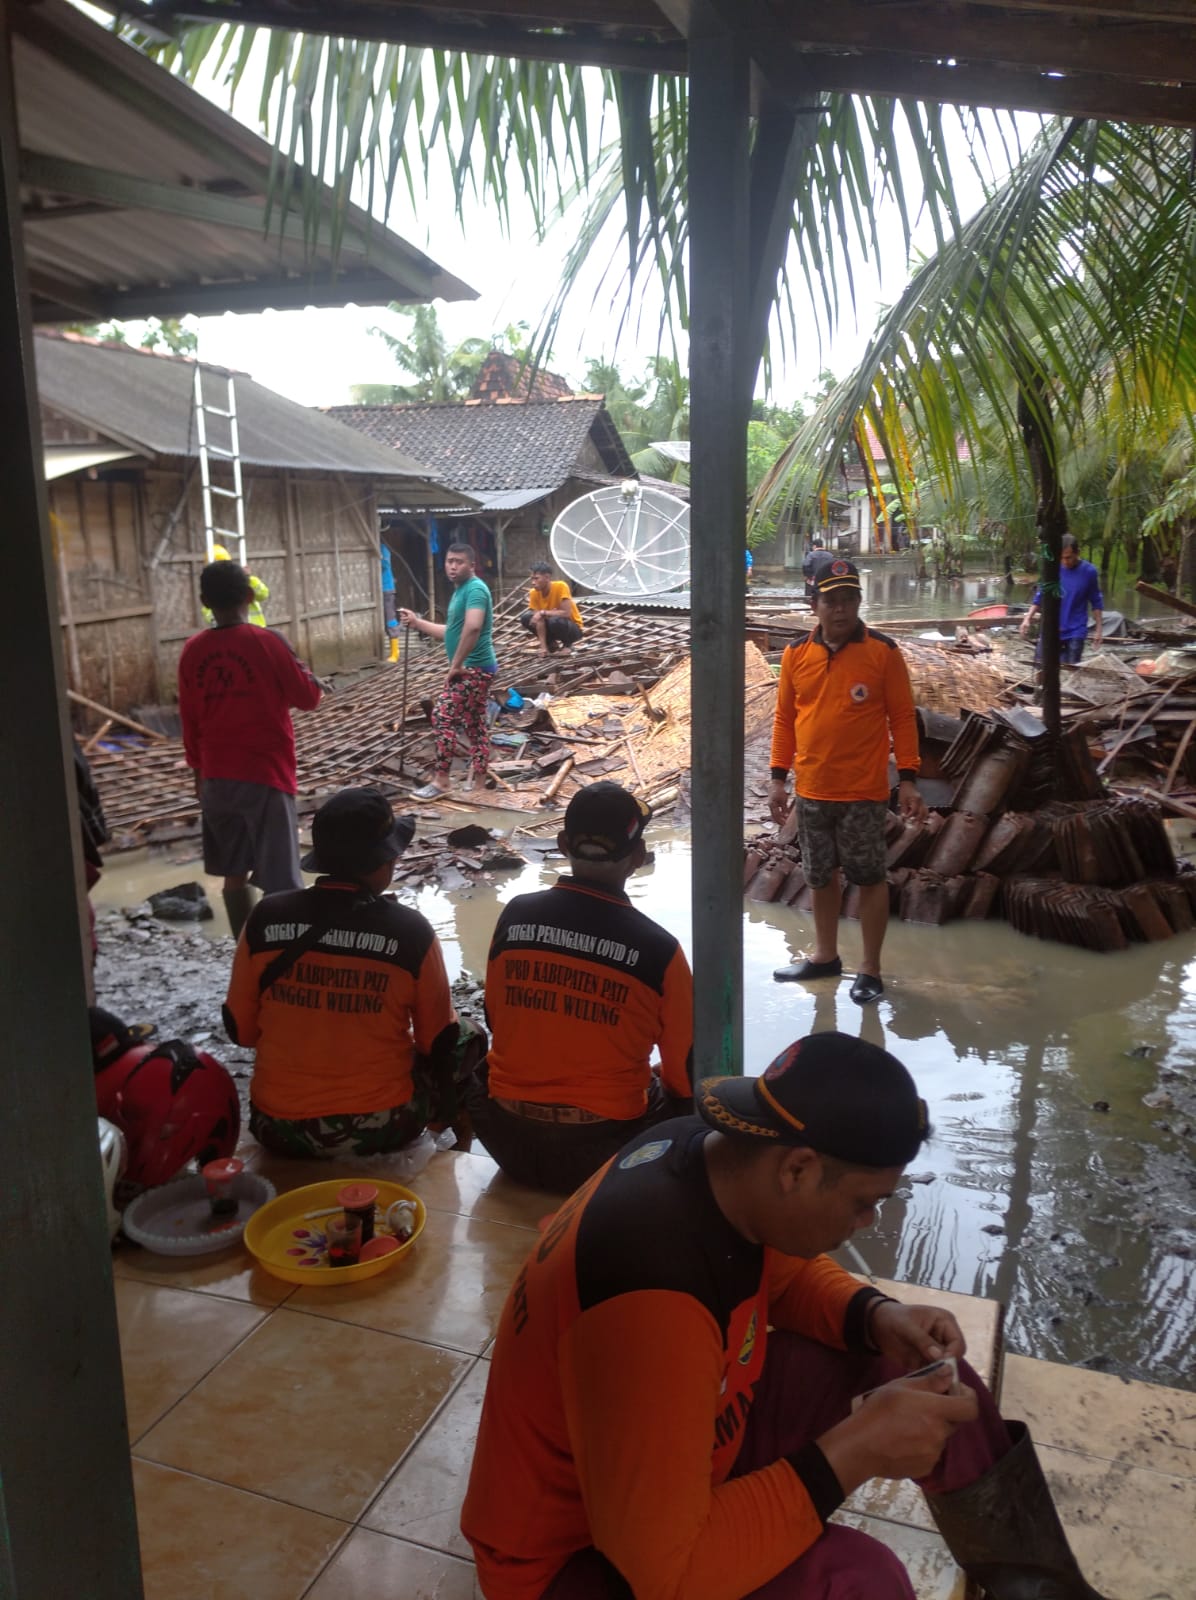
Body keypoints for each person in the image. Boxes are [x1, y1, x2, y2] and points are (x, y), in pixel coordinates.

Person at [462, 1032, 1106, 1600]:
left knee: (931, 1372)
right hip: (574, 1564)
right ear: (798, 1169)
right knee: (860, 1582)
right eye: (862, 1202)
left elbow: (786, 1276)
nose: (868, 1223)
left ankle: (1039, 1590)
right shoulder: (651, 1299)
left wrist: (875, 1313)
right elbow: (659, 1581)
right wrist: (851, 1453)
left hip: (673, 1461)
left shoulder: (711, 1157)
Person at [466, 781, 693, 1194]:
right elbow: (684, 1078)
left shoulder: (515, 916)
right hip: (605, 1150)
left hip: (506, 1139)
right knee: (691, 1101)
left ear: (563, 844)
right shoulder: (660, 951)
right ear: (639, 857)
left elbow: (497, 1020)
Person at [223, 787, 465, 1158]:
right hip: (381, 1127)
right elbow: (437, 1042)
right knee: (466, 1035)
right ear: (386, 861)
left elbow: (241, 1032)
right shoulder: (411, 932)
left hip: (276, 1127)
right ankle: (449, 1138)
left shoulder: (265, 917)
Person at [768, 558, 925, 1004]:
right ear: (814, 604)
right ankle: (824, 956)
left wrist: (909, 779)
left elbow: (902, 718)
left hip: (864, 792)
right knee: (820, 877)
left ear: (859, 602)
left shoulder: (883, 652)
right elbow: (784, 721)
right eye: (831, 600)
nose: (840, 609)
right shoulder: (796, 654)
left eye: (849, 599)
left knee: (870, 877)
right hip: (812, 789)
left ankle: (870, 968)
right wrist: (778, 779)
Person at [179, 559, 322, 937]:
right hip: (264, 776)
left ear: (204, 601)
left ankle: (244, 951)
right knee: (282, 879)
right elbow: (308, 698)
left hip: (215, 778)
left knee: (233, 871)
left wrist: (199, 776)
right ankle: (282, 954)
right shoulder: (267, 642)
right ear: (248, 596)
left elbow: (189, 721)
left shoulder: (192, 651)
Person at [399, 542, 498, 798]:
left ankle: (442, 781)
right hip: (475, 668)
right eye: (449, 561)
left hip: (472, 669)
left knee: (442, 717)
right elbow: (451, 632)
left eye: (459, 562)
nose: (453, 566)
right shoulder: (461, 591)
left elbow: (474, 627)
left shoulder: (475, 589)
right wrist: (417, 622)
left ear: (471, 565)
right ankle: (479, 782)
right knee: (475, 724)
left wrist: (456, 665)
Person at [1019, 536, 1103, 663]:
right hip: (1052, 627)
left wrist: (1099, 630)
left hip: (1076, 629)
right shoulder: (1052, 569)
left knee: (1072, 668)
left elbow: (1096, 602)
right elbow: (1040, 596)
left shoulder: (1089, 572)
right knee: (1040, 664)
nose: (1065, 561)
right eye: (1061, 557)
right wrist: (1027, 619)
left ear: (1077, 553)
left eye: (1068, 557)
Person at [520, 562, 583, 656]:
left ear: (547, 577)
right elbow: (539, 621)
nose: (533, 582)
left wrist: (544, 612)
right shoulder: (533, 593)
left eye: (536, 578)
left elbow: (566, 613)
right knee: (526, 617)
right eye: (532, 579)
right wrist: (543, 647)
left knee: (555, 620)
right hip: (551, 626)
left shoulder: (561, 586)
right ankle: (550, 644)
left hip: (572, 629)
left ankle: (568, 645)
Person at [203, 543, 269, 627]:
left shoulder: (242, 583)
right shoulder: (211, 593)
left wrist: (248, 579)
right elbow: (211, 618)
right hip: (234, 635)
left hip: (255, 632)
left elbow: (263, 595)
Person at [381, 540, 400, 662]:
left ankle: (395, 652)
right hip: (380, 589)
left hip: (387, 588)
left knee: (390, 618)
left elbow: (385, 565)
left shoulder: (383, 549)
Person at [801, 537, 828, 603]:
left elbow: (805, 565)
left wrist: (807, 576)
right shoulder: (830, 555)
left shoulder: (811, 555)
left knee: (809, 598)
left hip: (812, 581)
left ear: (815, 546)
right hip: (826, 581)